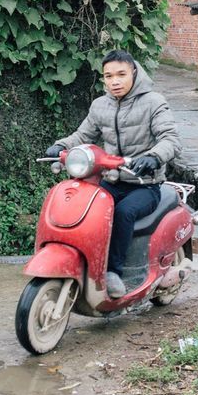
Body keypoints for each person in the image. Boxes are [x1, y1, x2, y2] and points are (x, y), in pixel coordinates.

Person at [45, 49, 182, 299]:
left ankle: (114, 272)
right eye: (108, 76)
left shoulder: (153, 102)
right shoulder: (101, 105)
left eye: (121, 74)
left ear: (134, 73)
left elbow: (170, 139)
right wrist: (62, 146)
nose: (114, 81)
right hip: (111, 180)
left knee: (123, 213)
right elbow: (83, 135)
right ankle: (86, 262)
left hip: (144, 184)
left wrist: (153, 157)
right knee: (83, 207)